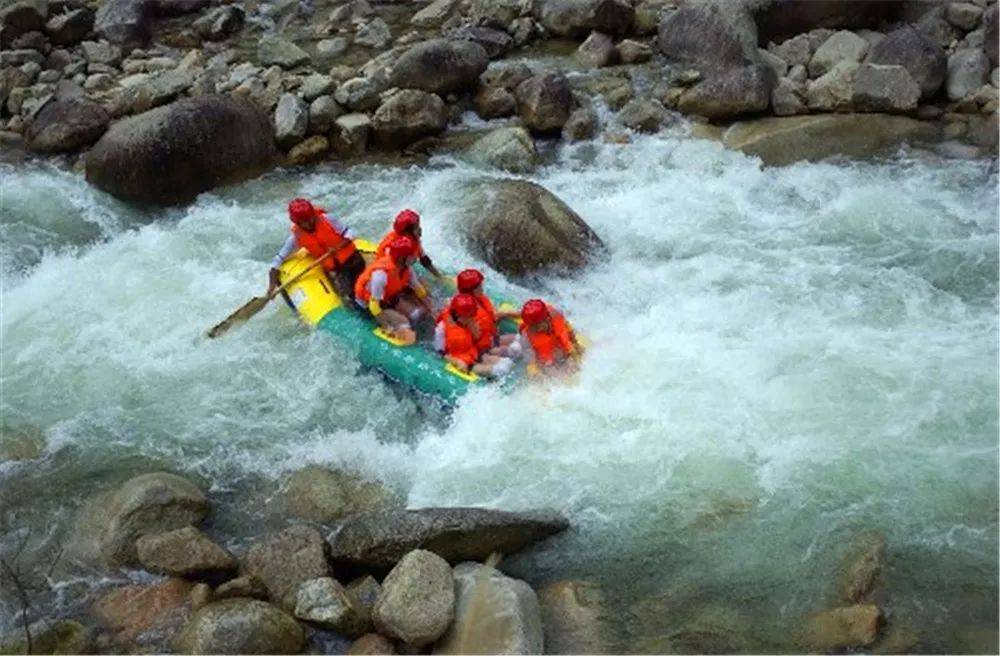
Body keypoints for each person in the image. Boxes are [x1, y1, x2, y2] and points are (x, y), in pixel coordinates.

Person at [268, 198, 366, 300]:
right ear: (297, 222)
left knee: (361, 288)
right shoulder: (296, 237)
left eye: (310, 218)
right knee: (350, 296)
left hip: (352, 260)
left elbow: (351, 232)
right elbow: (278, 260)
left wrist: (338, 247)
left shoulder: (328, 219)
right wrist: (271, 286)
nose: (309, 222)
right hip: (337, 270)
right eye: (304, 221)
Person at [354, 236, 432, 345]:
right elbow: (374, 306)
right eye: (412, 255)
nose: (415, 257)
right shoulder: (380, 276)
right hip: (369, 303)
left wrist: (431, 309)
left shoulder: (407, 268)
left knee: (418, 313)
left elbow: (419, 289)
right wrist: (387, 326)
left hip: (388, 296)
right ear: (402, 258)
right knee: (404, 323)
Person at [434, 294, 514, 377]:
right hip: (464, 363)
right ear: (459, 315)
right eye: (469, 316)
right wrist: (456, 361)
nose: (472, 318)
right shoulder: (442, 327)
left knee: (508, 363)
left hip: (475, 354)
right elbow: (439, 354)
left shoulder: (469, 321)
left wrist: (476, 332)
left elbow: (478, 341)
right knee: (500, 370)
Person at [453, 268, 520, 358]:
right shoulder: (465, 311)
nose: (482, 288)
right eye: (479, 286)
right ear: (471, 291)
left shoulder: (480, 299)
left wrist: (511, 313)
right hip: (483, 350)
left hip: (491, 339)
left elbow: (492, 316)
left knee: (521, 340)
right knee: (515, 351)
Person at [518, 299, 582, 375]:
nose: (533, 329)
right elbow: (532, 366)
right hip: (549, 365)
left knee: (578, 359)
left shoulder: (556, 314)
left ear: (546, 318)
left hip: (565, 353)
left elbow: (569, 332)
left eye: (535, 326)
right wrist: (538, 376)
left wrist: (577, 347)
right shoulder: (526, 338)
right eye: (531, 326)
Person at [376, 209, 443, 279]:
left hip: (403, 265)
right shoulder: (395, 248)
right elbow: (392, 272)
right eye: (417, 227)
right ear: (407, 233)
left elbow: (425, 260)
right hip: (390, 272)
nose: (420, 229)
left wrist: (440, 277)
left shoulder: (412, 240)